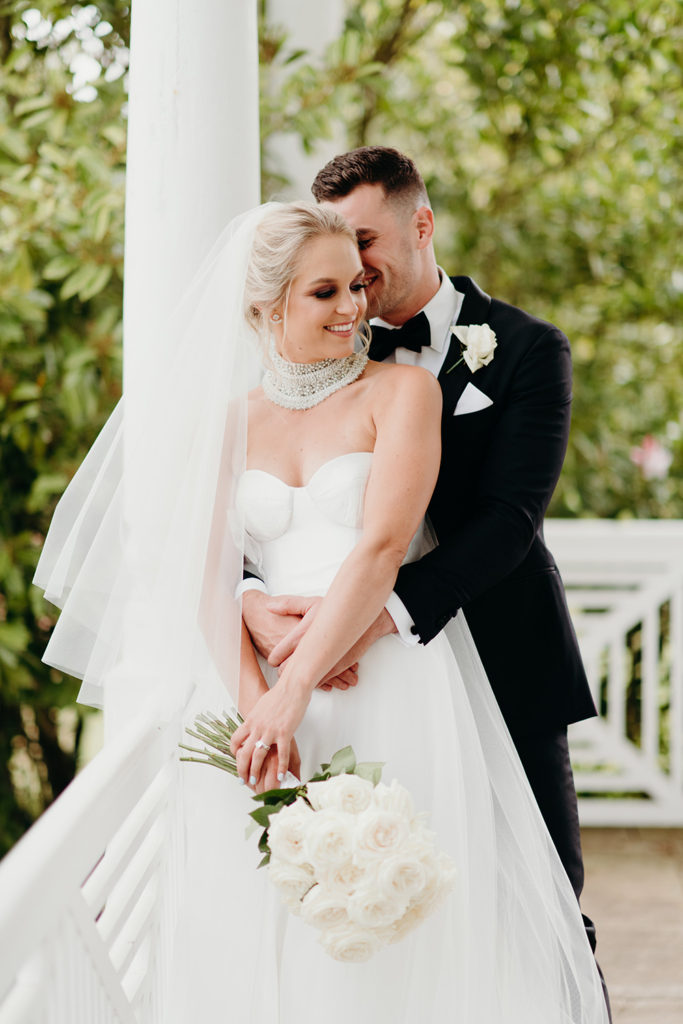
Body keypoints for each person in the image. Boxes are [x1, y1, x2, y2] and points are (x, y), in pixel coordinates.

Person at [34, 200, 607, 1023]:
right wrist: (255, 709)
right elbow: (204, 576)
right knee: (262, 916)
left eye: (355, 286)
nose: (353, 307)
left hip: (387, 675)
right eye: (325, 292)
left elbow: (381, 547)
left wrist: (298, 681)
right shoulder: (229, 423)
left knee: (406, 909)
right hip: (260, 695)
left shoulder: (403, 392)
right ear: (267, 309)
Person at [240, 149, 607, 1004]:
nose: (352, 266)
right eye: (335, 248)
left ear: (422, 224)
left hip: (499, 656)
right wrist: (250, 602)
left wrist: (366, 621)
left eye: (364, 241)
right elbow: (254, 513)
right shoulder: (316, 342)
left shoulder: (524, 348)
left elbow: (508, 520)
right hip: (343, 678)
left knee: (544, 908)